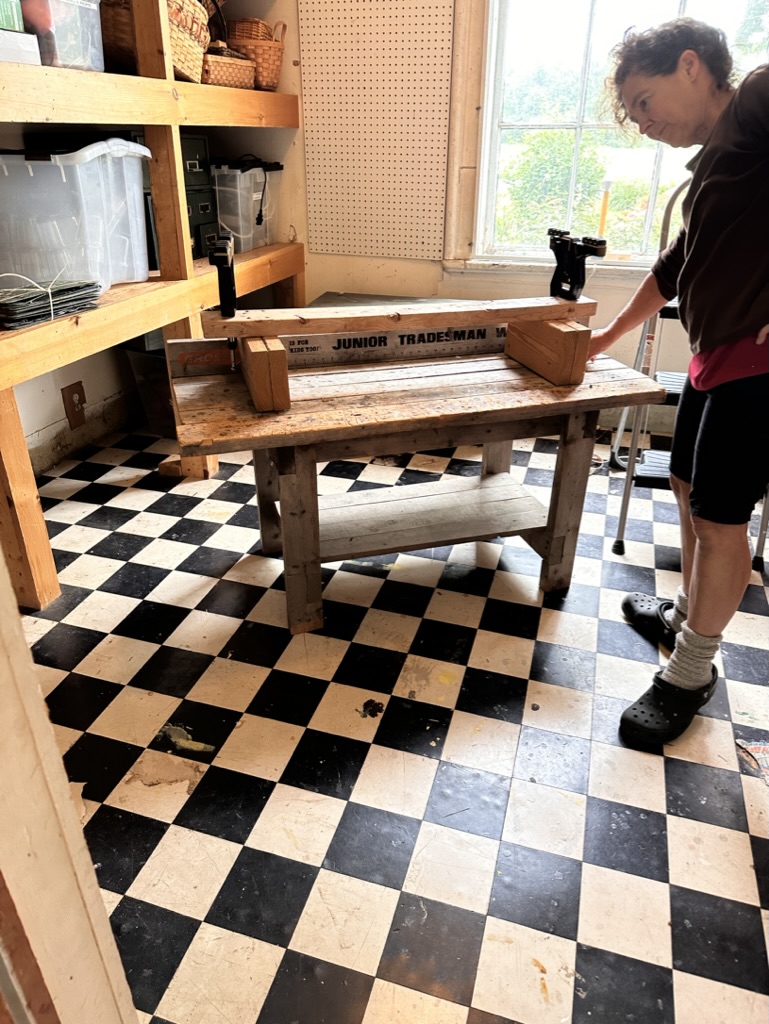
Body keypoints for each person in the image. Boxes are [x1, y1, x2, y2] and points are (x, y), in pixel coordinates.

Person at [589, 18, 769, 750]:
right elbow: (675, 266)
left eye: (644, 100)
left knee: (722, 521)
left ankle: (690, 672)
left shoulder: (756, 99)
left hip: (756, 366)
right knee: (687, 487)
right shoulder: (715, 165)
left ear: (691, 66)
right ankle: (688, 614)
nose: (641, 122)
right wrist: (602, 338)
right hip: (712, 354)